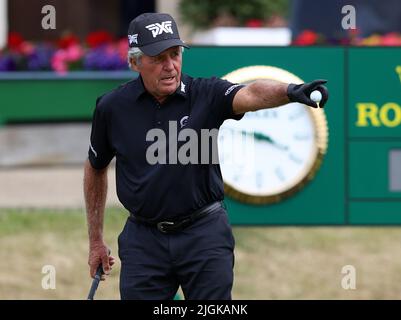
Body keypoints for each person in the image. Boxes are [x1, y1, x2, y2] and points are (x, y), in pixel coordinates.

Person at [84, 12, 328, 300]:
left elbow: (251, 93)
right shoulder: (112, 107)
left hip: (204, 234)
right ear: (135, 62)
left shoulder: (206, 94)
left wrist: (290, 90)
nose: (170, 66)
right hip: (143, 239)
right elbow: (95, 167)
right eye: (158, 58)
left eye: (175, 54)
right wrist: (96, 242)